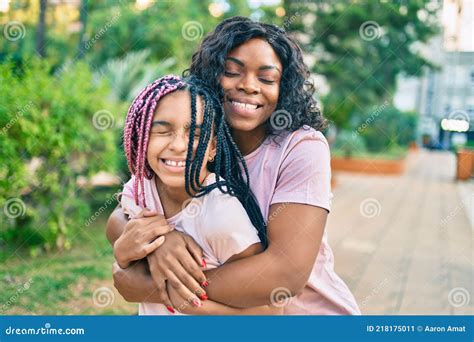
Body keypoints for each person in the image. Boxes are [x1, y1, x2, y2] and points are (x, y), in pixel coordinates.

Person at [108, 16, 360, 315]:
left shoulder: (301, 147)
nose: (249, 86)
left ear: (285, 88)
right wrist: (162, 242)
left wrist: (156, 283)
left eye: (266, 79)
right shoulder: (193, 145)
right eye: (231, 72)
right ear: (211, 76)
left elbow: (285, 274)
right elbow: (125, 210)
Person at [116, 74, 281, 314]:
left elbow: (269, 313)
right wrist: (124, 252)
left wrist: (189, 304)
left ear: (213, 147)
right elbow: (122, 237)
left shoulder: (222, 214)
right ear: (141, 138)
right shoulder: (141, 190)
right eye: (162, 131)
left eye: (195, 135)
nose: (178, 145)